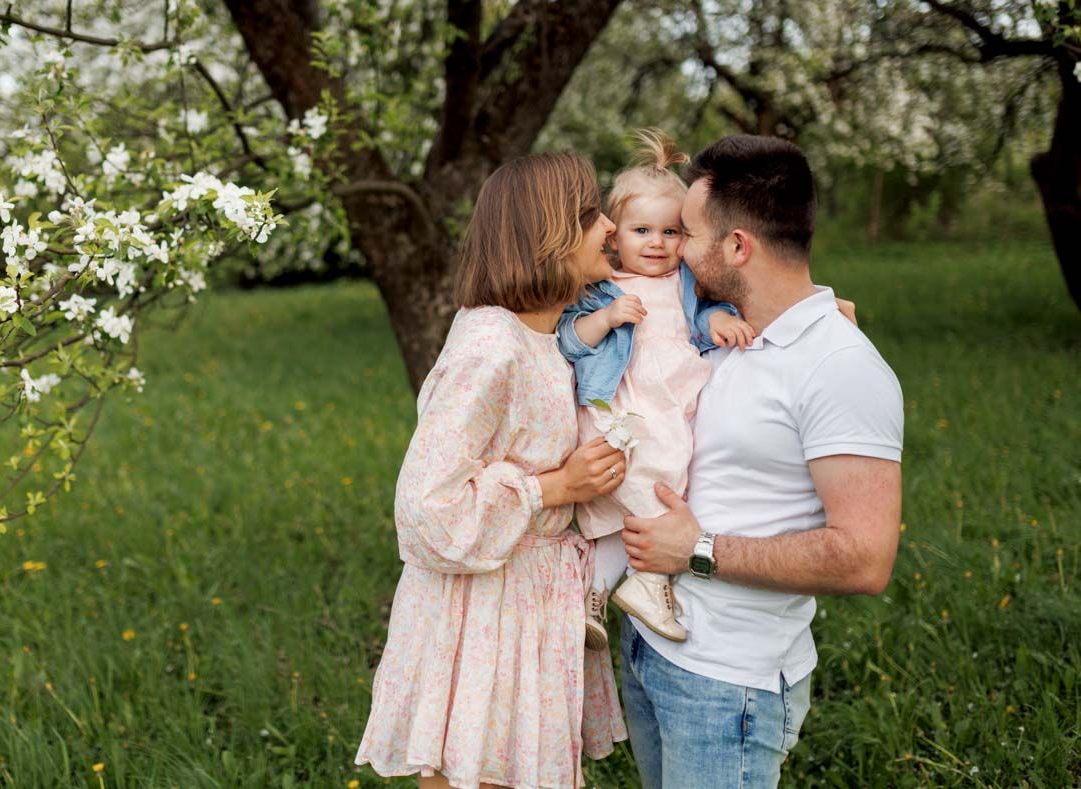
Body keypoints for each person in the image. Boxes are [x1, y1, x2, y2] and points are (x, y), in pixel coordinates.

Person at [618, 135, 904, 788]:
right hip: (651, 646)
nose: (675, 249)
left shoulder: (841, 368)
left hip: (728, 685)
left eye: (687, 233)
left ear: (738, 246)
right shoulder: (728, 327)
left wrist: (698, 550)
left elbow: (865, 557)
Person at [354, 152, 631, 789]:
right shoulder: (492, 346)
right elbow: (427, 505)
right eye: (591, 215)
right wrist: (555, 487)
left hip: (527, 604)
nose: (611, 226)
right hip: (484, 610)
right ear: (550, 231)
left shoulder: (549, 335)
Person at [556, 130, 754, 648]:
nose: (657, 243)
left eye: (671, 232)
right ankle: (644, 583)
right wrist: (605, 318)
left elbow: (711, 310)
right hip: (620, 411)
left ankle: (595, 595)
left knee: (646, 505)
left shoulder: (686, 282)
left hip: (669, 410)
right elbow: (569, 341)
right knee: (654, 494)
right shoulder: (601, 289)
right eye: (641, 230)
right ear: (613, 235)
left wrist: (716, 321)